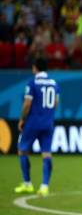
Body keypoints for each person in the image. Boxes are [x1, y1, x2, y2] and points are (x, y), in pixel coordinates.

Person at [14, 58, 60, 196]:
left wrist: (22, 119)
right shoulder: (54, 83)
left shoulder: (32, 83)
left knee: (22, 151)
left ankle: (27, 183)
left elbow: (27, 104)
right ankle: (45, 186)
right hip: (48, 123)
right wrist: (48, 115)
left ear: (35, 68)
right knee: (46, 153)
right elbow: (56, 103)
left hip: (33, 123)